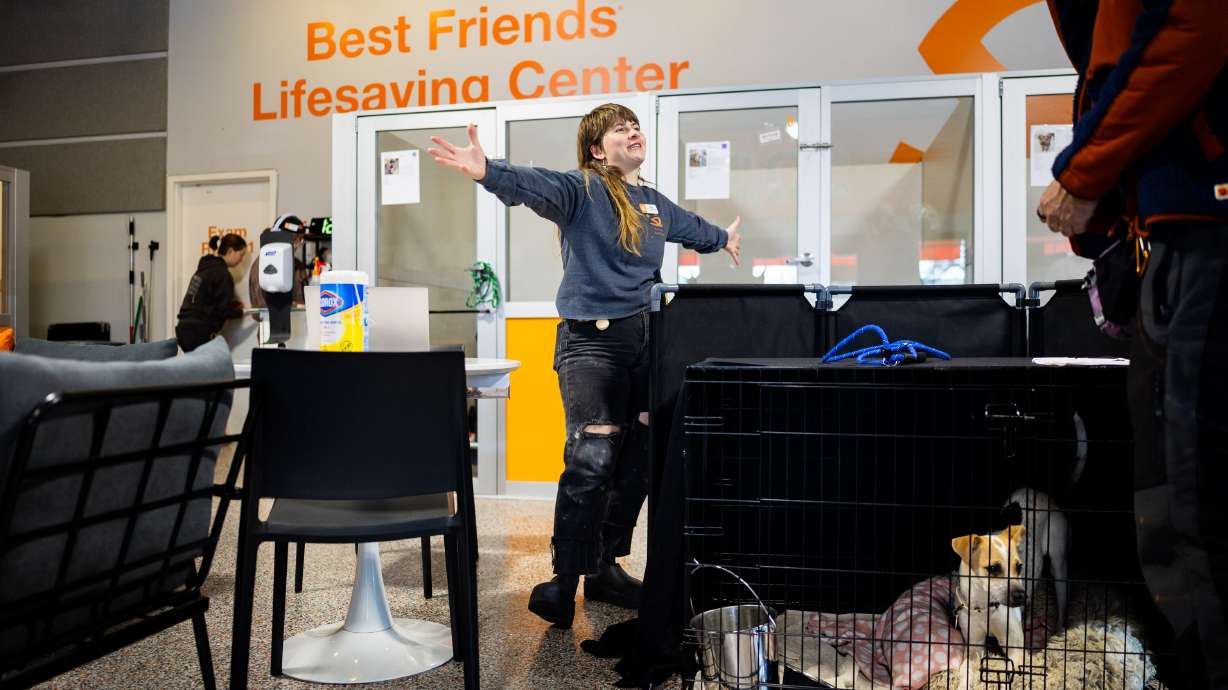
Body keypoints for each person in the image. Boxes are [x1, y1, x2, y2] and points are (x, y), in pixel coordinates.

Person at [428, 103, 742, 628]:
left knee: (639, 458)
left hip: (647, 344)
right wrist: (488, 171)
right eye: (620, 129)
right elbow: (535, 184)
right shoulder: (584, 190)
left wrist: (724, 239)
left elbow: (694, 229)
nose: (633, 132)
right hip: (590, 343)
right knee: (593, 457)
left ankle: (605, 567)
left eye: (635, 125)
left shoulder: (654, 203)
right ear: (598, 149)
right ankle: (564, 580)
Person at [1037, 3, 1227, 688]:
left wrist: (1087, 170)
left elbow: (1191, 31)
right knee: (1170, 507)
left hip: (1203, 230)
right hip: (1165, 237)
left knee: (1195, 507)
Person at [175, 233, 247, 352]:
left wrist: (232, 305)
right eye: (241, 254)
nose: (241, 260)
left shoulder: (204, 269)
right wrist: (240, 312)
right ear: (230, 251)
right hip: (200, 332)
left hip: (184, 329)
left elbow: (206, 300)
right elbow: (223, 310)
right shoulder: (222, 274)